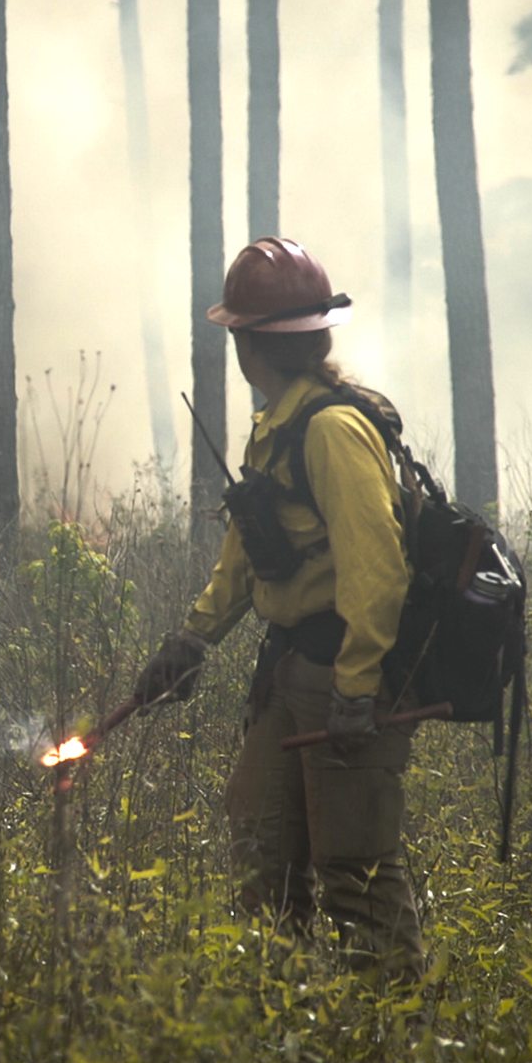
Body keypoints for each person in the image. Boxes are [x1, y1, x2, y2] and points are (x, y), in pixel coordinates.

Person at [135, 237, 422, 979]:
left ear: (250, 344)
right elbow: (247, 553)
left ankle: (391, 1047)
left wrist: (357, 687)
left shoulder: (330, 431)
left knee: (354, 876)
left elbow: (377, 569)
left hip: (340, 675)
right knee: (262, 863)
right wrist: (192, 640)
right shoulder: (278, 429)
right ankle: (283, 1030)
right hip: (289, 671)